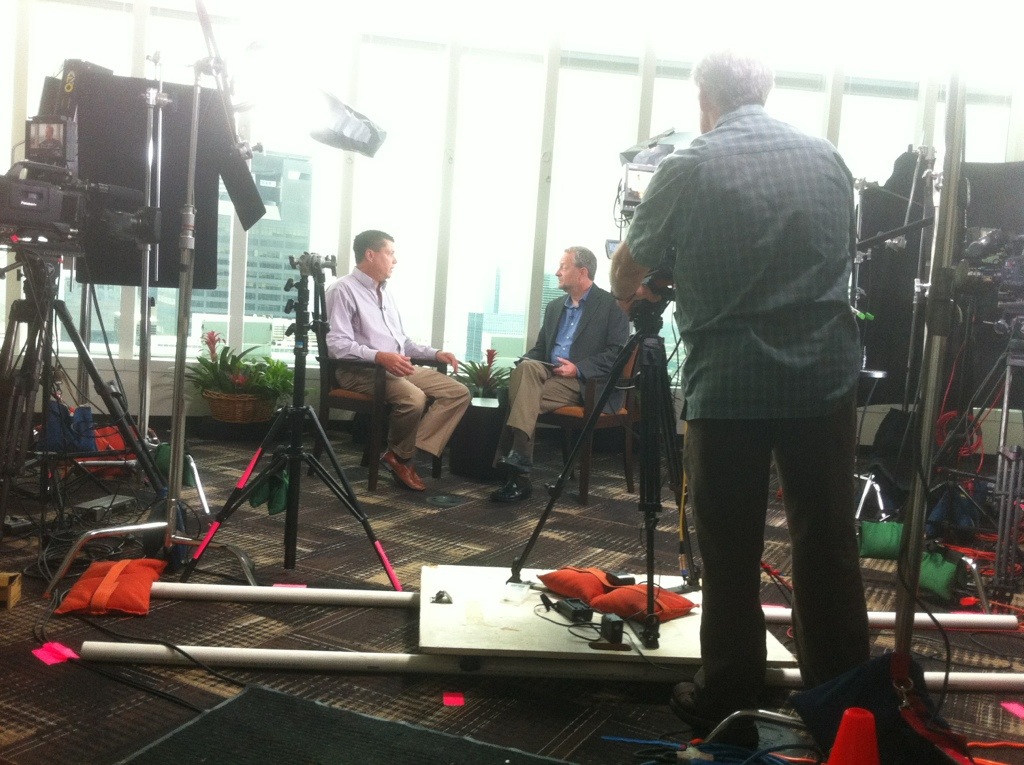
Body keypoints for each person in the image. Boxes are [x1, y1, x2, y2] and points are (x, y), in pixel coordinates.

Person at [610, 50, 870, 737]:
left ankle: (729, 693)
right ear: (767, 90)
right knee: (827, 541)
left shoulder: (689, 165)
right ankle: (844, 702)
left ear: (706, 98)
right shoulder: (828, 159)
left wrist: (648, 283)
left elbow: (627, 272)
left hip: (730, 384)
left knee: (729, 547)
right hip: (823, 379)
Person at [325, 229, 470, 491]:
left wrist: (435, 354)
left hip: (395, 367)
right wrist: (379, 357)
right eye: (390, 253)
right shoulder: (342, 289)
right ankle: (403, 459)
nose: (395, 260)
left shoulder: (386, 293)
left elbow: (403, 342)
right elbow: (337, 346)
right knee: (414, 398)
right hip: (359, 371)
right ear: (370, 255)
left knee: (458, 392)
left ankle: (400, 455)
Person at [491, 246, 629, 502]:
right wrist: (524, 361)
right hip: (547, 372)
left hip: (583, 382)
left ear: (582, 272)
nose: (557, 272)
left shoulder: (611, 305)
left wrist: (578, 368)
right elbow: (541, 349)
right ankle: (518, 464)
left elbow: (617, 354)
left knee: (521, 395)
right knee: (527, 369)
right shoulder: (554, 307)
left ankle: (517, 474)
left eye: (563, 267)